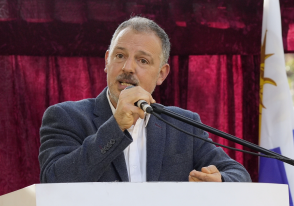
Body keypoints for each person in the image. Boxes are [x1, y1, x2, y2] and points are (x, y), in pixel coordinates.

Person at [39, 16, 251, 184]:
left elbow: (239, 175)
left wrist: (220, 181)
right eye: (120, 56)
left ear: (161, 74)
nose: (127, 67)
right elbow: (54, 182)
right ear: (107, 60)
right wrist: (116, 127)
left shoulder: (183, 125)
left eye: (142, 60)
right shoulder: (65, 117)